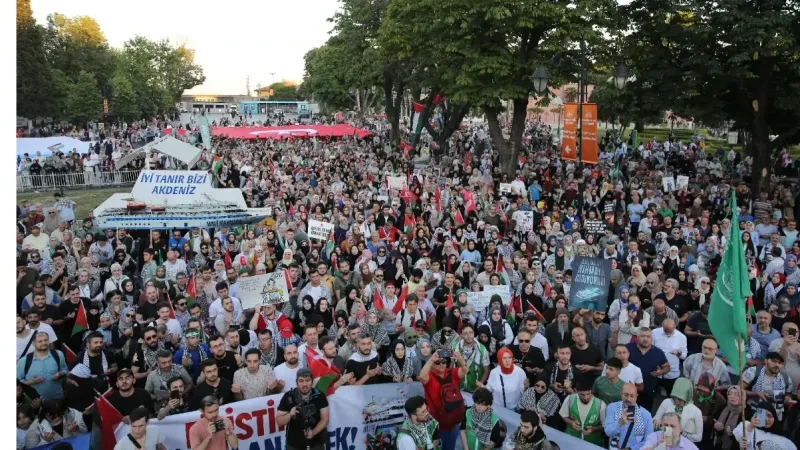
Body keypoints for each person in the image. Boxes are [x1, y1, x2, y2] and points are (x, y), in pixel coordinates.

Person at [418, 347, 469, 450]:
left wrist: (460, 358)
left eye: (444, 362)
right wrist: (431, 359)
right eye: (437, 362)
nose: (441, 365)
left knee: (451, 447)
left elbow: (465, 370)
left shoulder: (452, 373)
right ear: (433, 364)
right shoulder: (430, 376)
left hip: (454, 421)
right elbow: (422, 376)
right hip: (438, 424)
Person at [276, 368, 330, 450]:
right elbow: (279, 422)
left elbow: (325, 419)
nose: (304, 384)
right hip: (293, 445)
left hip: (316, 443)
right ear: (296, 382)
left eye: (307, 380)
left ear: (312, 381)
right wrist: (290, 414)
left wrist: (313, 432)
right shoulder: (289, 396)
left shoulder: (319, 396)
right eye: (301, 381)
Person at [16, 332, 67, 401]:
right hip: (36, 402)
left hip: (57, 398)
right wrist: (31, 382)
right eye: (40, 341)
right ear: (33, 343)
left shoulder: (58, 354)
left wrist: (60, 374)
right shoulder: (24, 361)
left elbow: (64, 369)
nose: (44, 343)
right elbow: (18, 382)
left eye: (46, 340)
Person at [603, 383, 654, 450]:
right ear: (621, 394)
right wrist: (620, 423)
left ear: (636, 396)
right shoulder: (612, 407)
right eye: (626, 395)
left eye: (632, 396)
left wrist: (631, 449)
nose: (628, 399)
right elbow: (608, 432)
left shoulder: (646, 415)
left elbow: (649, 441)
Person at [653, 378, 704, 443]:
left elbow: (699, 437)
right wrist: (657, 423)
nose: (677, 402)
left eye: (680, 399)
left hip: (683, 445)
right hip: (664, 441)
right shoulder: (666, 402)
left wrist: (682, 433)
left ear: (688, 396)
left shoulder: (696, 412)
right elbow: (656, 419)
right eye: (674, 398)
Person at [732, 402, 796, 450]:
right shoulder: (749, 426)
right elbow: (738, 436)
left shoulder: (784, 437)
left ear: (774, 417)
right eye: (762, 415)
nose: (766, 419)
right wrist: (751, 426)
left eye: (769, 416)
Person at [560, 380, 607, 445]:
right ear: (576, 391)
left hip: (592, 443)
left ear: (591, 391)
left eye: (588, 394)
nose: (586, 397)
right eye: (582, 394)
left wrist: (594, 429)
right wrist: (571, 423)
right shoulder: (570, 399)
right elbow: (564, 416)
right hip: (571, 440)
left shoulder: (600, 404)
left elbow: (605, 425)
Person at [452, 323, 491, 392]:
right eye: (465, 333)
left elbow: (486, 370)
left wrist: (480, 385)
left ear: (474, 333)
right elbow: (451, 367)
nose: (468, 336)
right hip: (459, 388)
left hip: (475, 388)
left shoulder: (482, 349)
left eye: (470, 332)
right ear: (461, 335)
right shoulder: (455, 347)